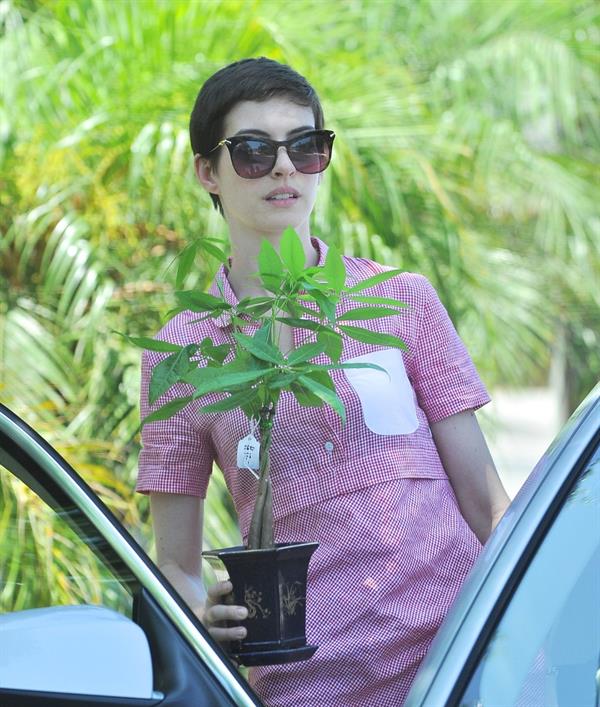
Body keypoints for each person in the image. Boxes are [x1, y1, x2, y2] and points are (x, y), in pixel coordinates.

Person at [136, 57, 511, 706]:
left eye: (305, 147)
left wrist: (537, 632)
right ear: (208, 173)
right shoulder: (183, 351)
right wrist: (201, 615)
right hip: (309, 685)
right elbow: (176, 560)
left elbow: (487, 504)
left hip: (463, 662)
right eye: (253, 151)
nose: (284, 168)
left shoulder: (399, 299)